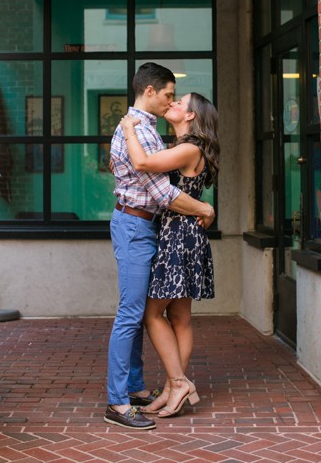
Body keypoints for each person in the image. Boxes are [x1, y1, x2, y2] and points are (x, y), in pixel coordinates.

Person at [104, 62, 215, 431]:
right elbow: (162, 192)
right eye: (169, 94)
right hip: (137, 224)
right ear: (149, 91)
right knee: (132, 314)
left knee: (144, 315)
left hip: (150, 227)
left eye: (176, 99)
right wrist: (203, 208)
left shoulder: (145, 130)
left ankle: (137, 388)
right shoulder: (141, 131)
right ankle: (118, 402)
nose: (171, 101)